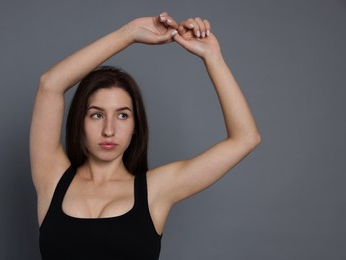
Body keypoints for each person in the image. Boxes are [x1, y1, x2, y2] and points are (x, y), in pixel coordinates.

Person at [29, 11, 261, 260]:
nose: (109, 130)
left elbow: (245, 138)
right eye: (96, 115)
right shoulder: (52, 179)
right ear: (79, 122)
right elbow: (50, 84)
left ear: (135, 126)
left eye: (122, 115)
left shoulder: (156, 191)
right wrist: (128, 34)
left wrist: (213, 58)